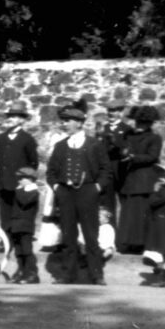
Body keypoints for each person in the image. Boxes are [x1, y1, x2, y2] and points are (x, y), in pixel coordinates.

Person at [45, 103, 110, 285]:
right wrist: (57, 188)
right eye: (64, 121)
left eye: (69, 121)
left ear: (79, 123)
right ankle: (68, 274)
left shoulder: (94, 144)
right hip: (66, 193)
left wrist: (97, 188)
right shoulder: (60, 146)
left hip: (88, 192)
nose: (65, 124)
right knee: (68, 235)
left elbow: (106, 170)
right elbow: (51, 172)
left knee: (91, 235)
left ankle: (96, 274)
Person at [116, 105, 163, 254]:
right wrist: (124, 153)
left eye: (142, 123)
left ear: (149, 124)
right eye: (137, 122)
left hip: (145, 179)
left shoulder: (154, 138)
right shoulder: (128, 136)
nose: (138, 125)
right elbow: (122, 150)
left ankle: (142, 243)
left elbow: (152, 156)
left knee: (142, 212)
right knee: (130, 212)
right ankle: (129, 242)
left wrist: (134, 157)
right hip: (130, 178)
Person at [0, 102, 39, 253]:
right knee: (5, 213)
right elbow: (1, 158)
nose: (12, 119)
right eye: (10, 116)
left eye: (15, 117)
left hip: (18, 183)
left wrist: (26, 180)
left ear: (22, 120)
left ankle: (20, 241)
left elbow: (33, 162)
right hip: (3, 181)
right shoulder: (2, 137)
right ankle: (6, 241)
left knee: (19, 214)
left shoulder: (27, 139)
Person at [95, 98, 131, 239]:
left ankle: (125, 236)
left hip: (122, 170)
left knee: (125, 203)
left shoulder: (127, 129)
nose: (111, 113)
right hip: (107, 170)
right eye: (109, 111)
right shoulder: (103, 129)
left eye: (115, 111)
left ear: (120, 112)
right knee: (107, 203)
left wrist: (115, 142)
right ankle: (111, 236)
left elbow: (127, 149)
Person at [9, 166, 41, 284]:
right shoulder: (20, 191)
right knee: (19, 250)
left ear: (29, 179)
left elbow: (24, 201)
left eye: (22, 178)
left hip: (26, 225)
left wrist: (18, 190)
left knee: (27, 250)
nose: (19, 181)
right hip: (16, 224)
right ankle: (21, 270)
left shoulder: (33, 192)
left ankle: (32, 273)